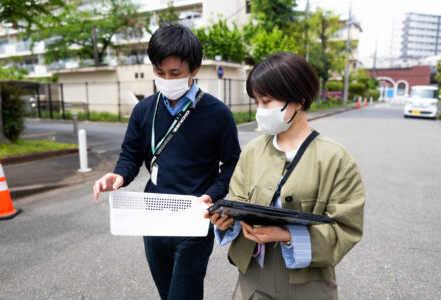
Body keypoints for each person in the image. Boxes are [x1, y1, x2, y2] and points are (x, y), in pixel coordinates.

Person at [93, 24, 241, 300]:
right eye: (159, 73)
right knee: (167, 294)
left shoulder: (217, 114)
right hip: (153, 218)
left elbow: (233, 166)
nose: (166, 79)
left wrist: (211, 195)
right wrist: (119, 176)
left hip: (194, 219)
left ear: (193, 70)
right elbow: (131, 155)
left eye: (175, 73)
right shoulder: (144, 109)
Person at [205, 52, 365, 300]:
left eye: (266, 101)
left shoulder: (335, 158)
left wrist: (287, 235)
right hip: (253, 279)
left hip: (309, 285)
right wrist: (225, 219)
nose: (260, 110)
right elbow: (236, 200)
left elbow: (347, 228)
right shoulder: (252, 151)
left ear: (299, 100)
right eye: (256, 101)